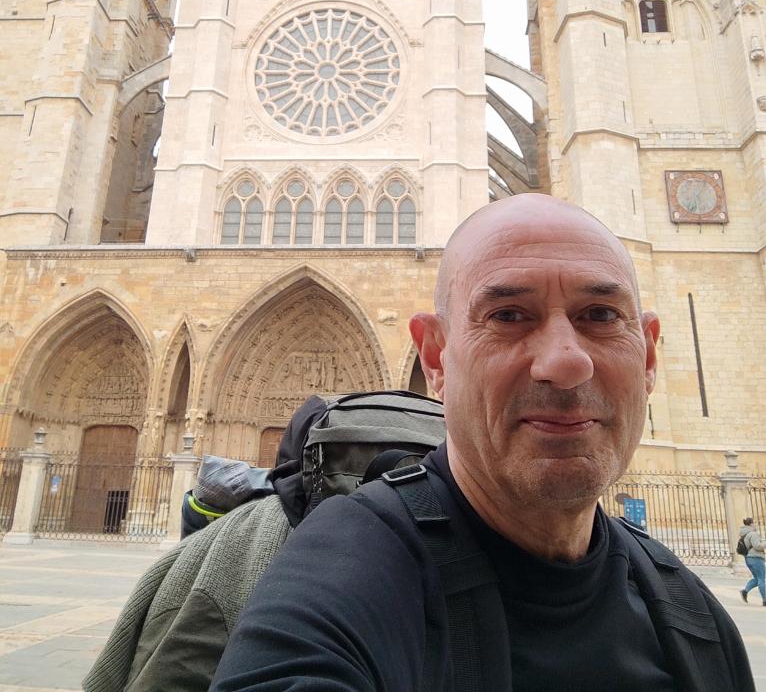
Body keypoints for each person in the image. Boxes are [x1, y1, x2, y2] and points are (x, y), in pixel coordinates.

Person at [211, 194, 753, 692]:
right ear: (435, 359)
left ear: (649, 357)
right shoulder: (348, 568)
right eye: (508, 316)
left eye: (601, 315)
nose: (566, 362)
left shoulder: (690, 612)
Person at [740, 516, 766, 604]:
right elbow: (758, 546)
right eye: (755, 523)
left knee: (757, 578)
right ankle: (765, 600)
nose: (756, 525)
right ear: (751, 524)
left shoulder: (744, 533)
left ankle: (745, 591)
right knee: (761, 579)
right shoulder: (753, 534)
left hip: (749, 558)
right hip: (756, 558)